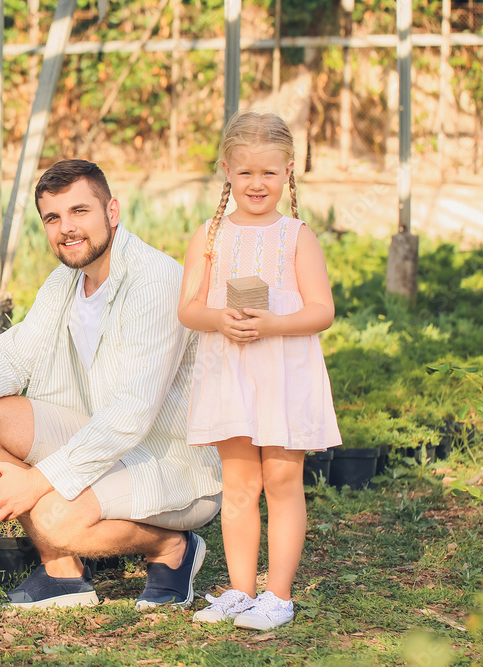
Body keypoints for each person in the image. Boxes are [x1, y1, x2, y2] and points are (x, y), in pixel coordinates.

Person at [0, 159, 223, 609]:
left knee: (53, 517)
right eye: (53, 217)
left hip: (167, 461)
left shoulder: (154, 282)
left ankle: (172, 548)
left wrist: (36, 482)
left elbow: (131, 416)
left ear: (112, 212)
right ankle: (63, 573)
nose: (67, 228)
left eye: (80, 211)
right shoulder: (65, 281)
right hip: (97, 440)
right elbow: (15, 354)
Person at [178, 110, 341, 631]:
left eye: (269, 173)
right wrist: (220, 319)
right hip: (231, 371)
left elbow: (322, 310)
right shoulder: (209, 235)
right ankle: (241, 590)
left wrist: (273, 324)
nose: (257, 183)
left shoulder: (297, 236)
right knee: (240, 484)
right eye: (246, 172)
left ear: (288, 172)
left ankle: (278, 594)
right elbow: (189, 308)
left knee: (283, 478)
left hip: (282, 372)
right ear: (227, 169)